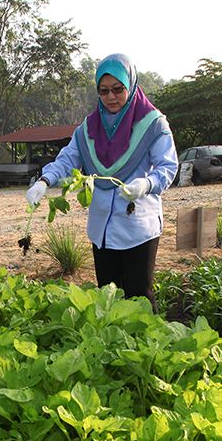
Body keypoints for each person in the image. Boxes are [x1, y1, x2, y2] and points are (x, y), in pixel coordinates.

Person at [27, 53, 178, 309]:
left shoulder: (152, 124)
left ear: (130, 85)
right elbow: (69, 159)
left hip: (137, 227)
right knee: (108, 297)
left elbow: (168, 166)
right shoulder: (89, 127)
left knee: (139, 297)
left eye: (118, 89)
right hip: (102, 230)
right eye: (104, 91)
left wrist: (146, 184)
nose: (111, 97)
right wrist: (44, 180)